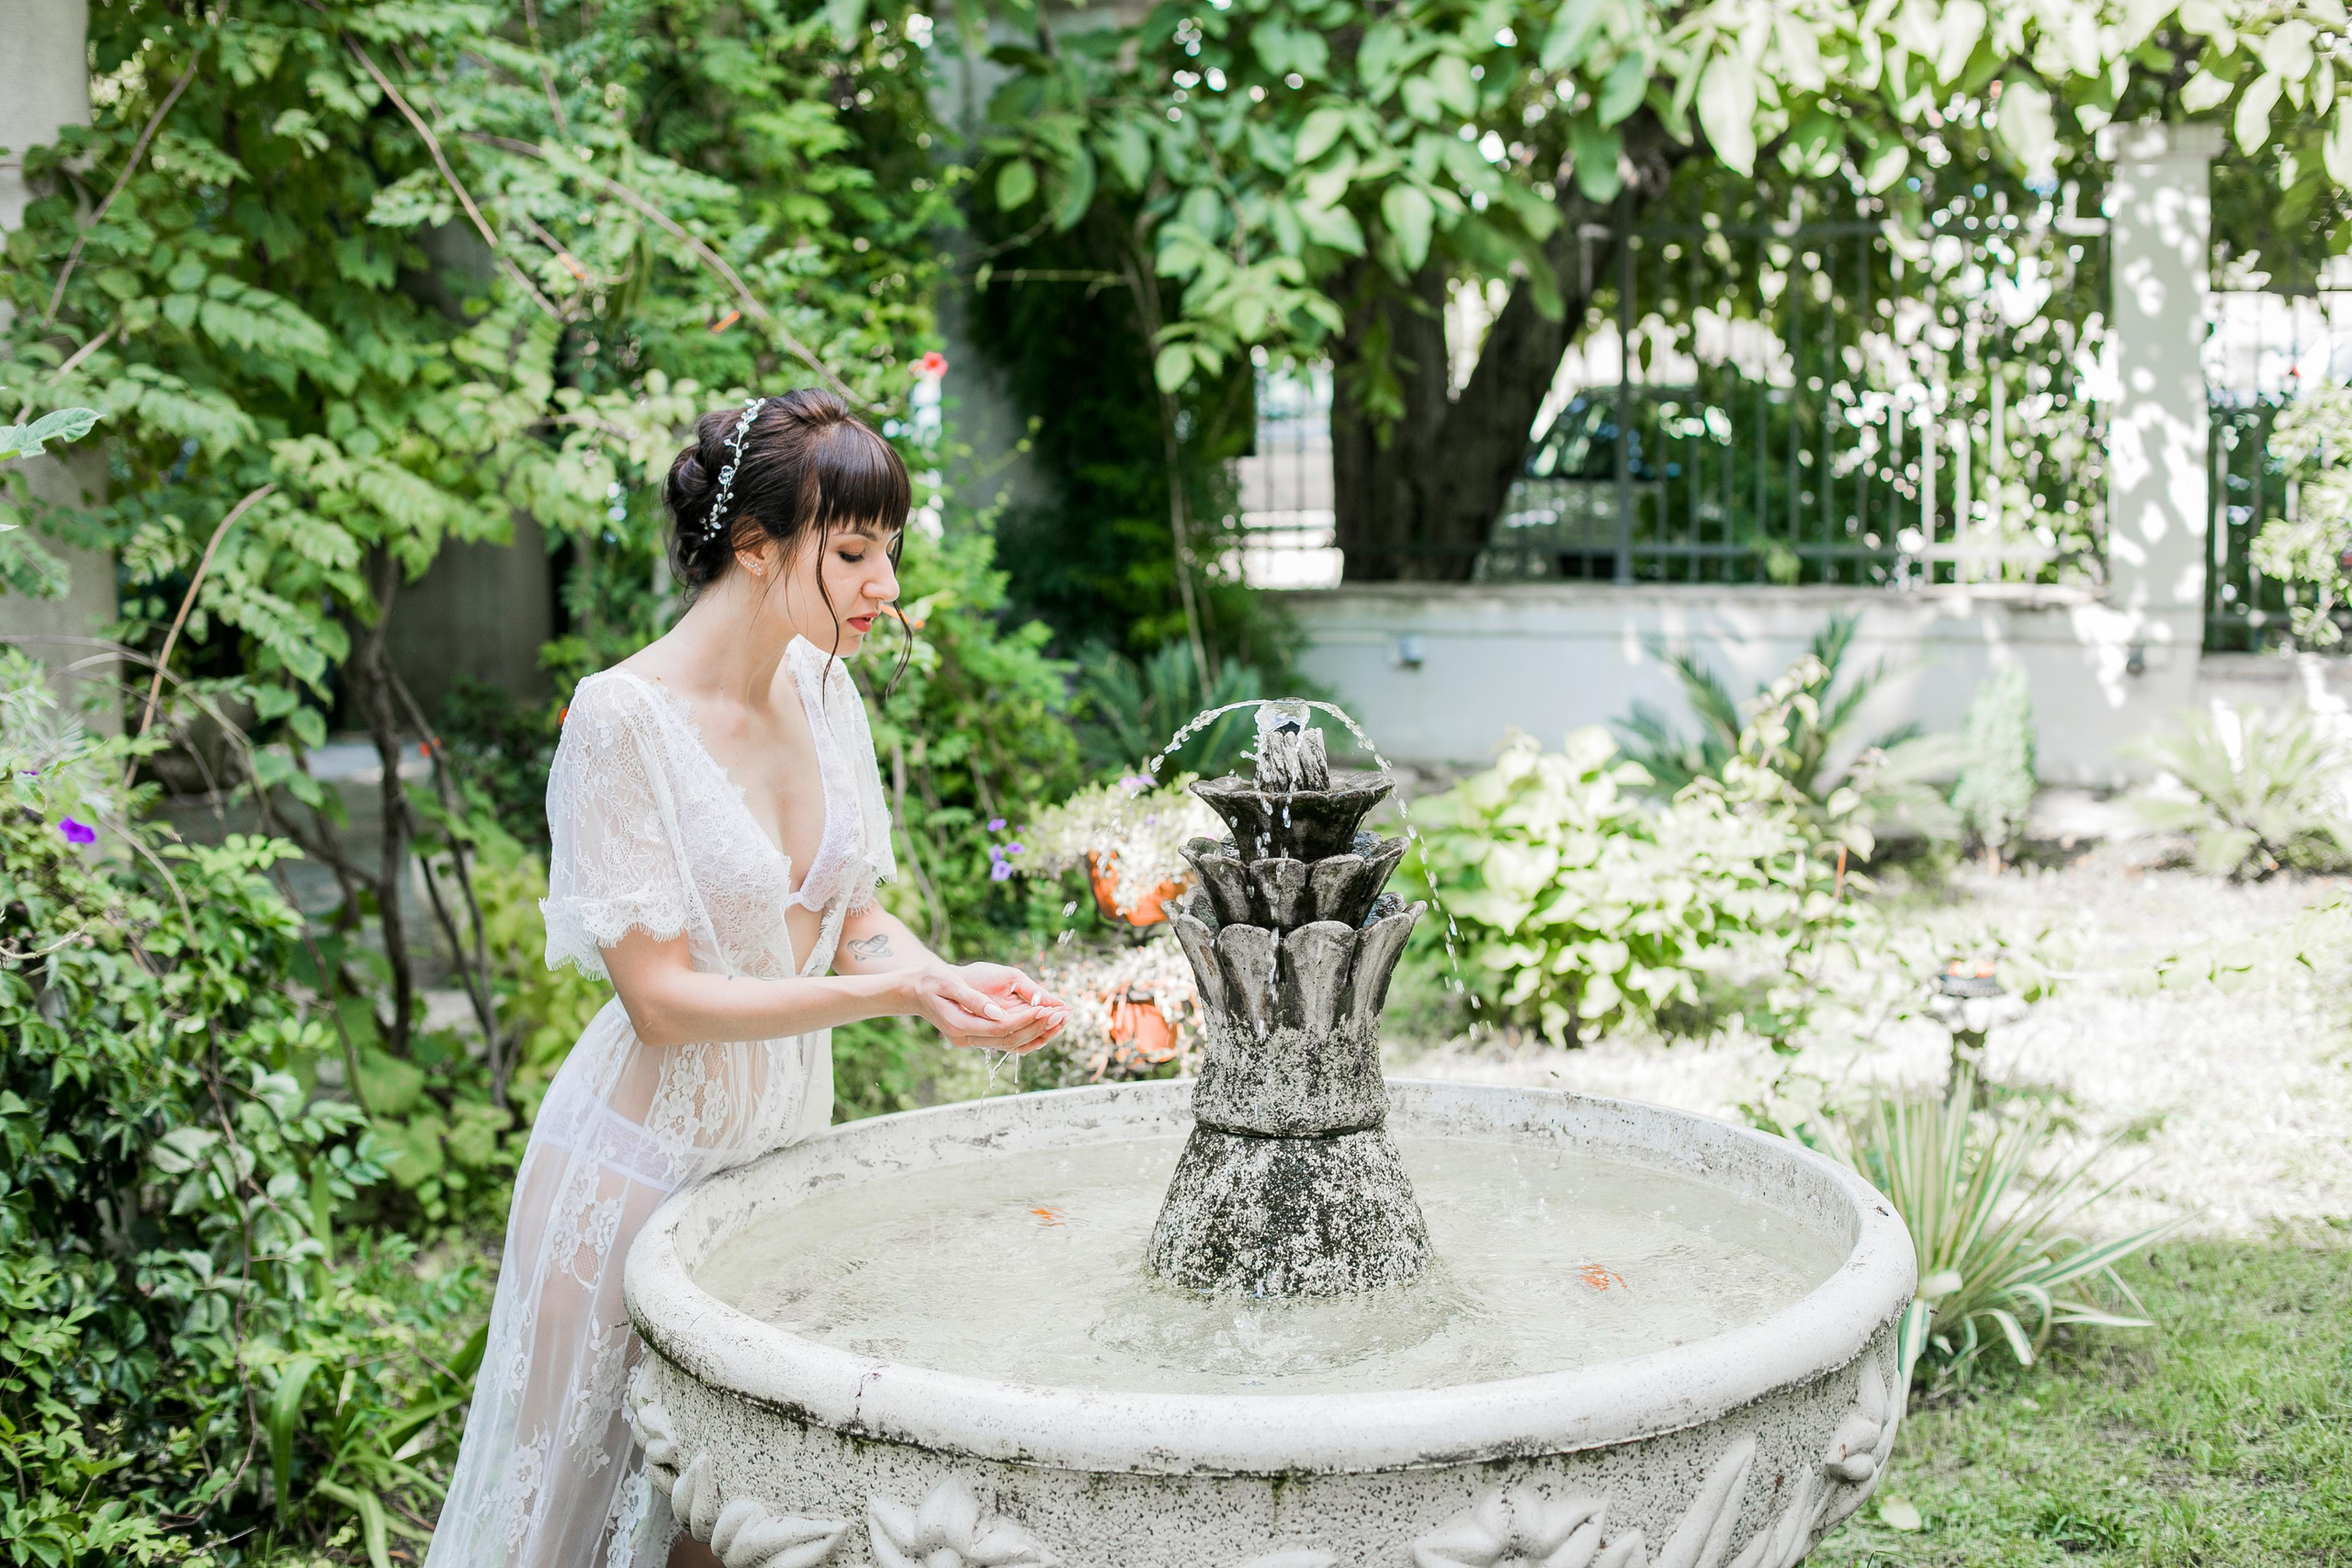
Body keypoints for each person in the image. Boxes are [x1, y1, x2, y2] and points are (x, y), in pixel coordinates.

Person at [424, 388, 1069, 1568]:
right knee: (578, 1520)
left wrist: (948, 982)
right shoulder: (622, 721)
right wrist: (891, 997)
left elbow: (853, 917)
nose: (885, 586)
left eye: (889, 553)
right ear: (756, 547)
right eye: (856, 553)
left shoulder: (827, 691)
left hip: (772, 1165)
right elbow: (661, 1005)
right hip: (627, 1176)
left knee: (729, 1526)